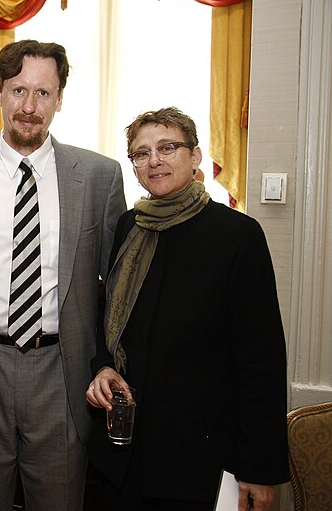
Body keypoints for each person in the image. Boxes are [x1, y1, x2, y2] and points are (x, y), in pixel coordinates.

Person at [0, 39, 127, 510]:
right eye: (18, 90)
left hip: (61, 370)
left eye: (44, 93)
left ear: (59, 99)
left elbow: (116, 291)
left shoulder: (100, 176)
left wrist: (107, 363)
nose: (29, 106)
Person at [85, 107, 289, 510]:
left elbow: (261, 362)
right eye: (141, 153)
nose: (154, 160)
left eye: (167, 147)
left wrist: (259, 470)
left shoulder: (237, 236)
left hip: (197, 459)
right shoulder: (129, 227)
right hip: (123, 454)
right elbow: (109, 320)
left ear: (195, 157)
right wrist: (103, 366)